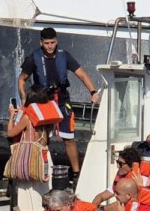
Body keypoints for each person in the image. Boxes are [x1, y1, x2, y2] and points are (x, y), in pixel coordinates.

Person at [18, 26, 101, 179]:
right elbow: (22, 79)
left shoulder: (64, 56)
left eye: (52, 42)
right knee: (43, 138)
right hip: (43, 102)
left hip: (62, 100)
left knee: (68, 138)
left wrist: (93, 92)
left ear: (56, 42)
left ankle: (76, 174)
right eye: (47, 43)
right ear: (41, 43)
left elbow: (82, 74)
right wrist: (24, 100)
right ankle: (41, 170)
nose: (50, 46)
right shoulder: (33, 58)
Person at [6, 87, 57, 211]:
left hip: (29, 159)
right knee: (44, 196)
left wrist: (11, 116)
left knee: (27, 197)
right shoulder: (48, 117)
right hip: (45, 157)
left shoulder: (28, 117)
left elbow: (11, 133)